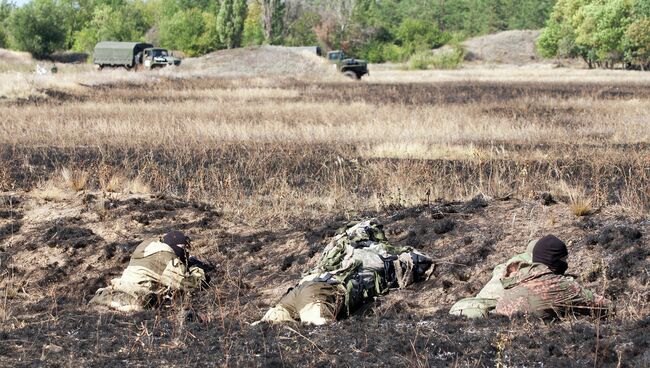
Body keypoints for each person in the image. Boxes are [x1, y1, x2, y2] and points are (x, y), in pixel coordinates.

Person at [255, 219, 434, 325]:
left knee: (264, 327)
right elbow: (420, 260)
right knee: (320, 332)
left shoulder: (337, 248)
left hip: (300, 289)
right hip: (320, 293)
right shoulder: (376, 255)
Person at [494, 235, 611, 318]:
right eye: (563, 260)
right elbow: (605, 307)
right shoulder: (560, 285)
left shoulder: (514, 279)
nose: (566, 264)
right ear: (553, 261)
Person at [89, 231, 207, 312]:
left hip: (114, 290)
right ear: (179, 248)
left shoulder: (148, 247)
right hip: (134, 298)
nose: (186, 253)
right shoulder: (166, 257)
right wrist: (196, 267)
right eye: (185, 249)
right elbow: (192, 284)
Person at [449, 238, 538, 318]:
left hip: (463, 305)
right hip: (479, 311)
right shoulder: (532, 266)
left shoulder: (508, 264)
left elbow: (497, 270)